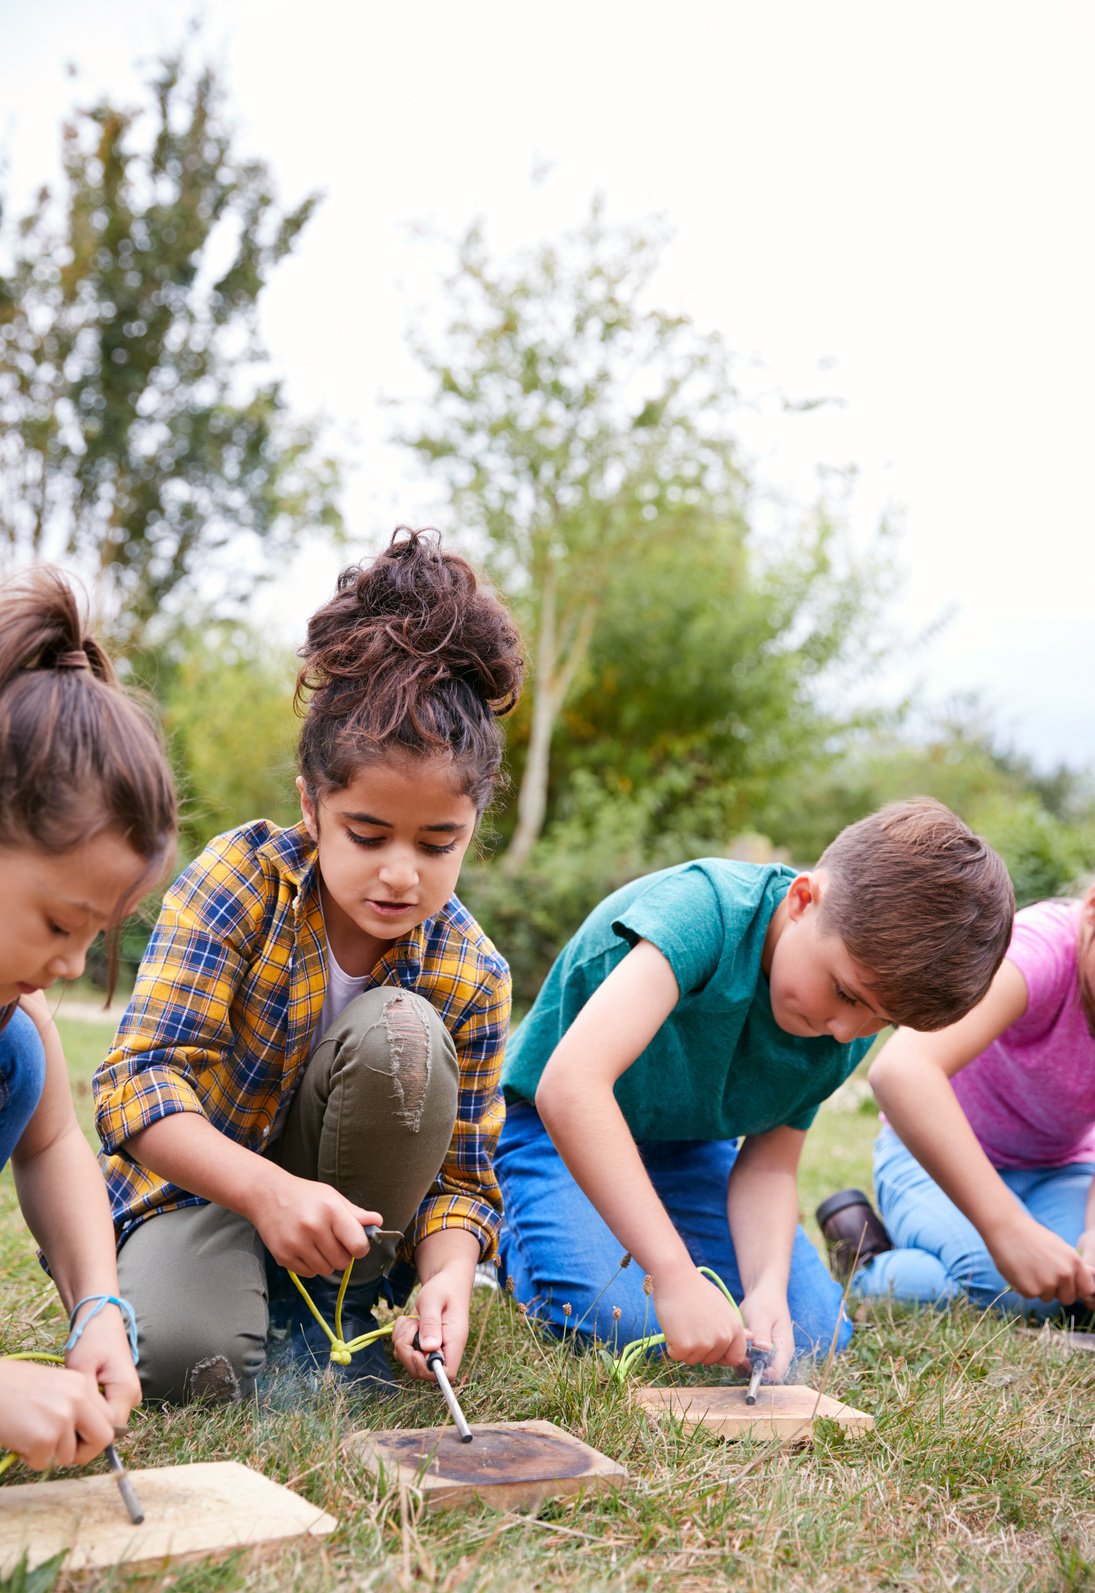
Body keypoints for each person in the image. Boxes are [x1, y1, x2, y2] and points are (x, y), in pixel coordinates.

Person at [94, 528, 524, 1403]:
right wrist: (265, 1194)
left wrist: (448, 1275)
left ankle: (343, 1304)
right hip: (205, 1192)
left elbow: (463, 1185)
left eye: (439, 844)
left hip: (353, 1236)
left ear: (473, 826)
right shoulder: (235, 884)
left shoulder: (472, 972)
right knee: (187, 1363)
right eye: (367, 834)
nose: (400, 873)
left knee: (402, 1030)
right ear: (312, 804)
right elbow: (138, 1085)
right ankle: (236, 1295)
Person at [495, 798, 1016, 1387]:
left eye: (882, 1022)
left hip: (686, 1146)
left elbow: (768, 1168)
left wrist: (766, 1289)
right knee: (627, 1322)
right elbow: (572, 1088)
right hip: (554, 1130)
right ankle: (505, 1234)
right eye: (846, 994)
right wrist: (672, 1274)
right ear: (801, 900)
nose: (847, 1034)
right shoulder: (706, 911)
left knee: (812, 1332)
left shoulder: (846, 1015)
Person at [0, 567, 177, 1471]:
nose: (69, 967)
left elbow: (52, 1143)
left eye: (96, 935)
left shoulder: (12, 1034)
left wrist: (96, 1302)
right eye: (59, 924)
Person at [818, 884, 1095, 1318]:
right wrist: (1009, 1229)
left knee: (1071, 1286)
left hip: (1057, 1170)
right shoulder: (1038, 950)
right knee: (1013, 1288)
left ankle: (910, 1258)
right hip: (932, 1157)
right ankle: (865, 1259)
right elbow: (901, 1071)